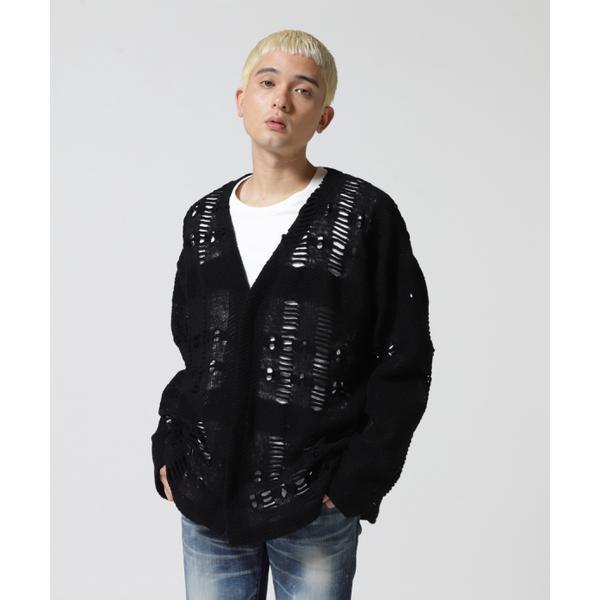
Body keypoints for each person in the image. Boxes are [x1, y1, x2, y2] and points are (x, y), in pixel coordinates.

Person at [151, 29, 435, 600]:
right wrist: (170, 447)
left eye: (303, 90)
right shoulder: (203, 219)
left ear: (323, 117)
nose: (281, 99)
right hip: (207, 497)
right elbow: (195, 352)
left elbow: (404, 355)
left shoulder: (363, 215)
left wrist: (355, 479)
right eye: (267, 83)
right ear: (241, 101)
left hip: (314, 502)